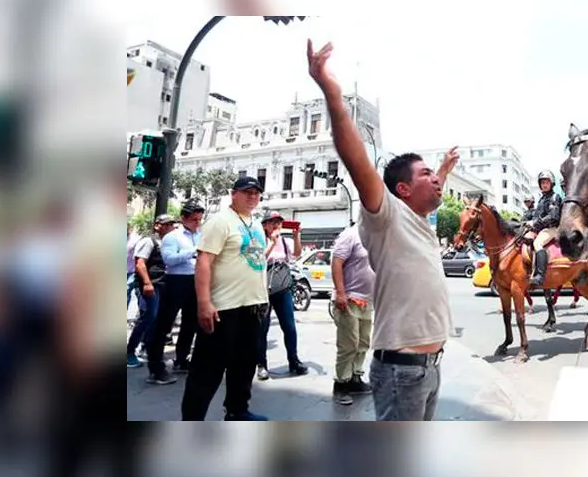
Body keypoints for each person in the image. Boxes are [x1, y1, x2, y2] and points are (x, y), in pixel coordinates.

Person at [307, 39, 460, 421]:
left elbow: (430, 192)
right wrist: (331, 93)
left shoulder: (419, 223)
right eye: (426, 175)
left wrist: (441, 170)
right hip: (402, 371)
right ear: (402, 189)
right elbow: (356, 158)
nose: (437, 182)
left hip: (429, 367)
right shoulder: (385, 215)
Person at [180, 177, 269, 421]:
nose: (252, 197)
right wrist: (204, 302)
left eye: (256, 193)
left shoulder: (256, 224)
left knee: (244, 366)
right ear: (234, 194)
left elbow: (254, 260)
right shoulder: (219, 222)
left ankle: (237, 411)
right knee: (207, 371)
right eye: (247, 192)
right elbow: (204, 262)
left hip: (253, 307)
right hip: (224, 308)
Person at [144, 201, 204, 383]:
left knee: (190, 323)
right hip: (176, 281)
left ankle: (181, 359)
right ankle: (156, 368)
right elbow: (169, 260)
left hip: (195, 280)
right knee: (164, 324)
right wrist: (193, 251)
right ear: (183, 218)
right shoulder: (173, 237)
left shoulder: (200, 234)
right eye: (194, 220)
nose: (197, 223)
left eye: (200, 219)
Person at [256, 211, 308, 380]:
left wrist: (297, 236)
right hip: (263, 289)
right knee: (262, 328)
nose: (276, 225)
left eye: (278, 222)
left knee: (289, 327)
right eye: (272, 222)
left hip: (282, 288)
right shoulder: (259, 240)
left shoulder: (285, 242)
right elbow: (258, 259)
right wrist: (271, 242)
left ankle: (294, 361)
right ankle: (261, 364)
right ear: (265, 225)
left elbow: (297, 254)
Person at [330, 223, 376, 405]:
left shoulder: (377, 235)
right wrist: (340, 292)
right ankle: (341, 384)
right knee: (348, 344)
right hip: (348, 299)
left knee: (364, 342)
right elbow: (336, 261)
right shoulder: (350, 234)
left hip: (368, 300)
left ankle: (355, 378)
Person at [126, 215, 177, 371]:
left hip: (162, 285)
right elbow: (140, 263)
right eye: (167, 224)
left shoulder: (168, 242)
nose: (171, 227)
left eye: (171, 225)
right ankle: (129, 351)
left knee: (156, 319)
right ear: (157, 225)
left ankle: (147, 348)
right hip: (150, 285)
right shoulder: (149, 241)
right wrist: (147, 283)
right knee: (148, 316)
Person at [524, 170, 563, 287]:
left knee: (538, 243)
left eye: (547, 182)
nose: (544, 184)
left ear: (552, 184)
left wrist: (534, 223)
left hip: (552, 228)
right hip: (541, 229)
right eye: (542, 182)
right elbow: (537, 216)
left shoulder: (555, 197)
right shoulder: (541, 199)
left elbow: (553, 217)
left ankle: (540, 276)